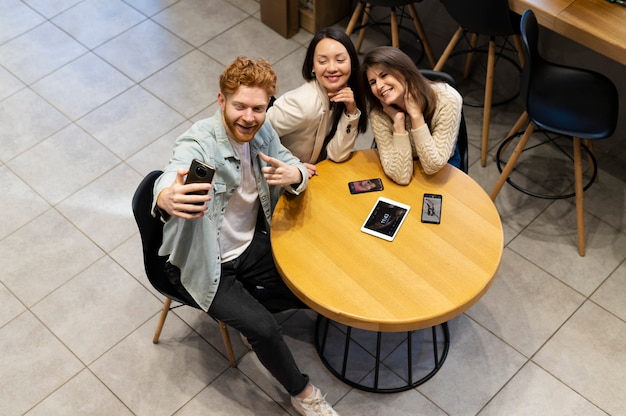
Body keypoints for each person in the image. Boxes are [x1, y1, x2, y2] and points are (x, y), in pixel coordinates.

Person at [152, 56, 340, 416]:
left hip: (250, 245)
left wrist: (296, 175)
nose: (248, 117)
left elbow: (292, 163)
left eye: (258, 108)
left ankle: (248, 309)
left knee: (313, 287)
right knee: (266, 330)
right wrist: (166, 196)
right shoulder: (199, 142)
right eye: (239, 106)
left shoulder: (263, 131)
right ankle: (302, 394)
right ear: (221, 101)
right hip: (205, 261)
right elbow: (174, 170)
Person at [266, 27, 368, 178]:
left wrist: (351, 111)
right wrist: (292, 166)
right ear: (313, 66)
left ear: (352, 63)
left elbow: (337, 154)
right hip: (282, 181)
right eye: (322, 61)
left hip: (309, 175)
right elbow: (254, 134)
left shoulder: (345, 95)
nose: (332, 68)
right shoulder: (303, 103)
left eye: (340, 60)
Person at [358, 46, 463, 185]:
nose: (379, 86)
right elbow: (401, 177)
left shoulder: (447, 99)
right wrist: (398, 123)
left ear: (404, 71)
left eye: (384, 75)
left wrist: (416, 116)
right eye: (373, 82)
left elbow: (433, 165)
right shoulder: (379, 115)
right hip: (406, 162)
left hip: (442, 162)